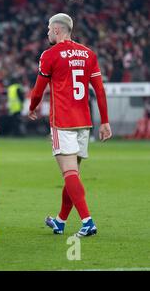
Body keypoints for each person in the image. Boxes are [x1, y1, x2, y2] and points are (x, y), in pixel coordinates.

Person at [28, 13, 112, 237]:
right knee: (72, 174)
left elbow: (38, 89)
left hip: (62, 122)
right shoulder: (88, 54)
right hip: (84, 122)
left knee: (69, 173)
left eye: (48, 29)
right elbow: (100, 91)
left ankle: (87, 222)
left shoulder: (50, 55)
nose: (47, 33)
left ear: (56, 30)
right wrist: (104, 121)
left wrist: (32, 107)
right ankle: (60, 221)